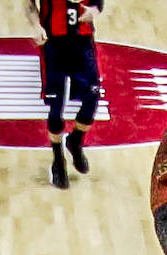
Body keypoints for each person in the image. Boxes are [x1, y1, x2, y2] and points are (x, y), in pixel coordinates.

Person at [25, 0, 104, 189]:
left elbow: (98, 3)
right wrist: (36, 26)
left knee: (92, 97)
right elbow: (29, 3)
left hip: (82, 40)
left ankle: (75, 140)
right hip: (54, 41)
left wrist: (95, 10)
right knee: (56, 104)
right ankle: (58, 159)